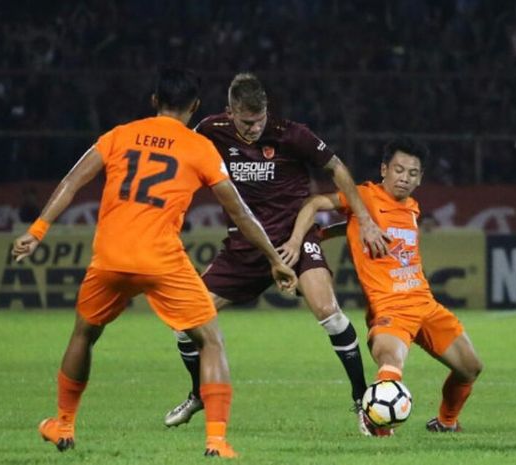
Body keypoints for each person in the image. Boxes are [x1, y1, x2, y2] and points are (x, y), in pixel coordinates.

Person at [11, 68, 298, 459]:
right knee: (210, 341)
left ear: (153, 101)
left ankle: (63, 423)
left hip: (110, 256)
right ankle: (216, 440)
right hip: (160, 259)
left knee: (83, 335)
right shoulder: (199, 148)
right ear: (195, 107)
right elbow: (242, 213)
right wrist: (273, 259)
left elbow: (72, 180)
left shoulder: (119, 135)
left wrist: (37, 230)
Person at [164, 73, 390, 436]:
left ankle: (362, 401)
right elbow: (181, 159)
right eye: (245, 121)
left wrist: (363, 219)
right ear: (231, 111)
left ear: (266, 110)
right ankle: (198, 394)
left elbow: (337, 168)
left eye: (259, 120)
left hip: (294, 242)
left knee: (329, 313)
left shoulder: (291, 134)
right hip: (244, 248)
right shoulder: (211, 129)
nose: (254, 128)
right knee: (182, 322)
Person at [284, 136, 483, 435]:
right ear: (384, 169)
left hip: (425, 304)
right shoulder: (364, 195)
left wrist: (336, 232)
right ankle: (374, 420)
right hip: (389, 309)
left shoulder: (412, 207)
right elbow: (313, 204)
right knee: (390, 362)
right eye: (399, 170)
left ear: (420, 178)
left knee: (470, 368)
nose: (405, 178)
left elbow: (370, 230)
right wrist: (298, 242)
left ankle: (445, 422)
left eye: (412, 173)